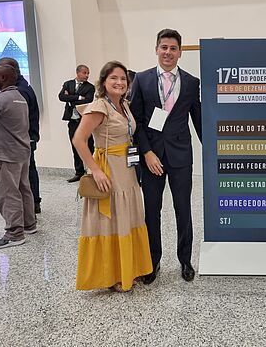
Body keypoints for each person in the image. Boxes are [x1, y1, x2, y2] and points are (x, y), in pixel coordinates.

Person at [72, 61, 152, 292]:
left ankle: (127, 269)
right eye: (113, 78)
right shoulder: (99, 106)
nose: (119, 83)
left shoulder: (124, 105)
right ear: (103, 82)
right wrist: (95, 170)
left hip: (126, 169)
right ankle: (111, 274)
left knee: (125, 217)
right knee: (111, 219)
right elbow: (79, 139)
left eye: (123, 79)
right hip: (108, 169)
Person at [130, 28, 202, 284]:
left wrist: (215, 151)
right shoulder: (142, 79)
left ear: (180, 52)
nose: (168, 52)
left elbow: (199, 119)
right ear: (156, 49)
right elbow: (136, 121)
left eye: (173, 48)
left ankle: (185, 260)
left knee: (183, 209)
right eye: (164, 47)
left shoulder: (192, 83)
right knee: (152, 210)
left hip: (181, 155)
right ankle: (152, 261)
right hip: (152, 157)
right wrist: (147, 152)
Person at [0, 65, 36, 248]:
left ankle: (14, 233)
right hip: (22, 151)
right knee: (23, 188)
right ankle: (29, 224)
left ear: (3, 78)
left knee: (8, 192)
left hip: (7, 154)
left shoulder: (1, 99)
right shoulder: (20, 97)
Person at [0, 57, 41, 213]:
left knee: (14, 187)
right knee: (25, 180)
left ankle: (18, 227)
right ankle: (31, 213)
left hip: (17, 144)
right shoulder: (23, 88)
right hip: (25, 140)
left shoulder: (17, 92)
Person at [59, 65, 95, 182]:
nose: (87, 75)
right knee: (75, 145)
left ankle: (92, 170)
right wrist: (78, 97)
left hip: (84, 120)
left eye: (88, 73)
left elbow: (88, 100)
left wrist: (70, 98)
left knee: (89, 145)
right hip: (72, 120)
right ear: (78, 73)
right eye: (84, 73)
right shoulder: (68, 84)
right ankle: (79, 172)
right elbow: (61, 96)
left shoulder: (90, 87)